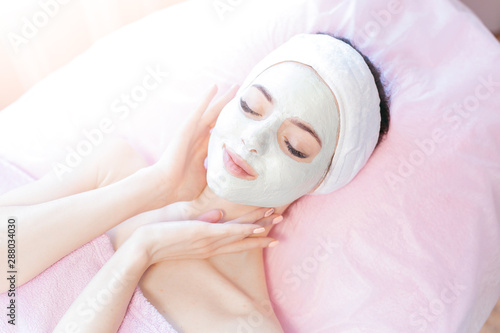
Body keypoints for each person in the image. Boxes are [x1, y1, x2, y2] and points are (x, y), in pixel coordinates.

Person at [0, 33, 389, 332]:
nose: (253, 140)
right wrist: (156, 186)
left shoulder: (242, 323)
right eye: (251, 107)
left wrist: (135, 255)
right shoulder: (115, 170)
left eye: (294, 146)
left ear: (321, 180)